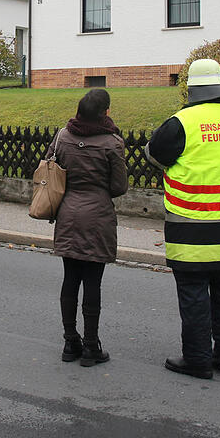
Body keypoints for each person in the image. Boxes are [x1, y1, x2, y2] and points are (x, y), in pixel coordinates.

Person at [146, 59, 220, 380]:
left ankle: (196, 359)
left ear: (191, 89)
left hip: (190, 227)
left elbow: (154, 154)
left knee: (194, 291)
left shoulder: (183, 122)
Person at [47, 88, 128, 367]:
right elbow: (119, 187)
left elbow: (49, 169)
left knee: (70, 279)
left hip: (68, 214)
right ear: (105, 112)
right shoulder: (112, 143)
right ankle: (92, 347)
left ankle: (70, 343)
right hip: (97, 218)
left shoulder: (62, 137)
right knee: (93, 282)